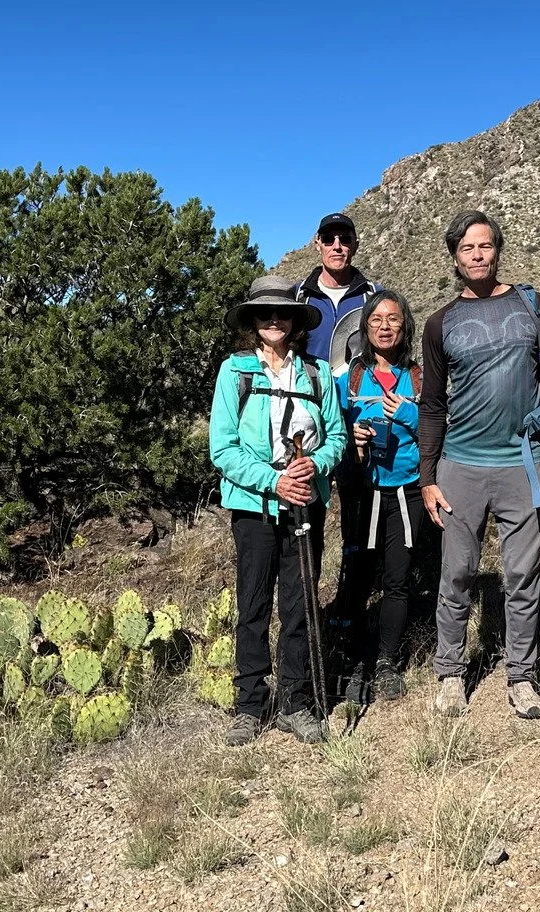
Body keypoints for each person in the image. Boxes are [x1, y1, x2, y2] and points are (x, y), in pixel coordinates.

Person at [419, 210, 540, 720]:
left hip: (523, 463)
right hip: (460, 466)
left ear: (498, 249)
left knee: (522, 574)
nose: (477, 255)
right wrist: (427, 478)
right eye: (467, 249)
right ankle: (450, 673)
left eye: (485, 246)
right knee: (458, 572)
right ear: (455, 257)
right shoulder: (440, 323)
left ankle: (522, 677)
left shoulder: (531, 305)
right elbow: (432, 405)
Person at [209, 275, 347, 746]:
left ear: (294, 321)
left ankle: (297, 702)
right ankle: (250, 705)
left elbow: (337, 437)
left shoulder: (316, 374)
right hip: (254, 509)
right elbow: (222, 448)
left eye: (282, 312)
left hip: (305, 504)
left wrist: (313, 466)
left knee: (299, 605)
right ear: (253, 320)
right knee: (253, 604)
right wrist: (275, 480)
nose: (273, 319)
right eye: (264, 313)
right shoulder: (235, 373)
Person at [335, 290, 423, 702]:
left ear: (404, 326)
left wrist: (406, 412)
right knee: (356, 578)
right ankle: (355, 659)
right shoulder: (350, 379)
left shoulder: (419, 377)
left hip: (407, 491)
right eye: (376, 320)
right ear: (365, 328)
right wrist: (353, 439)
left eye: (393, 320)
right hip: (364, 490)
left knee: (398, 580)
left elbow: (439, 426)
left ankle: (387, 660)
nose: (385, 327)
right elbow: (332, 430)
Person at [296, 213, 379, 372]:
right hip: (309, 393)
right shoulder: (299, 296)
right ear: (317, 245)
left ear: (355, 246)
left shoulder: (374, 296)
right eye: (328, 239)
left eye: (345, 239)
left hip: (356, 393)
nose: (337, 246)